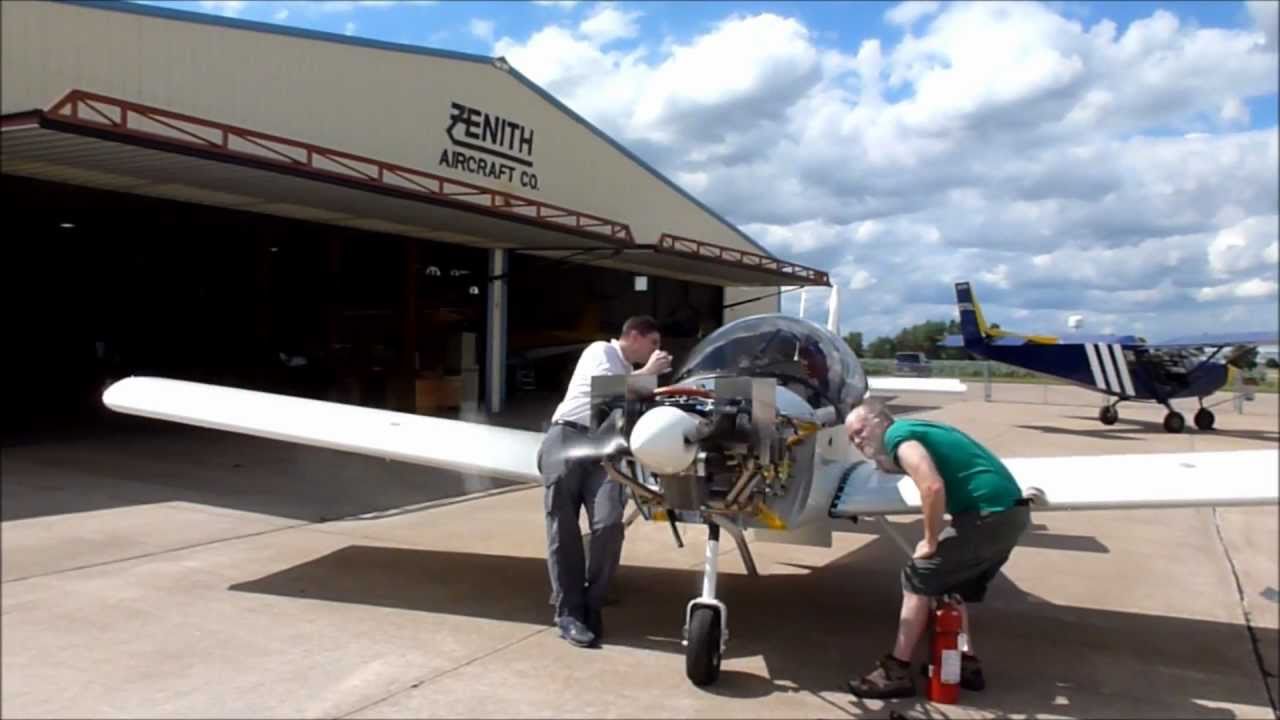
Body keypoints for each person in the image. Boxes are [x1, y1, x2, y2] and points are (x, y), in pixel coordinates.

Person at [844, 398, 1030, 698]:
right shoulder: (916, 429)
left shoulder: (897, 436)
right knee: (950, 583)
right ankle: (965, 664)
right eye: (851, 438)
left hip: (987, 516)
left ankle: (897, 671)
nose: (856, 440)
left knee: (918, 575)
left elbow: (931, 486)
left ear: (880, 421)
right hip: (1011, 513)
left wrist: (929, 540)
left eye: (860, 431)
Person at [537, 315, 672, 648]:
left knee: (610, 523)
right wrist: (649, 372)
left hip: (607, 449)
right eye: (653, 343)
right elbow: (607, 392)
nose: (656, 350)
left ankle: (591, 605)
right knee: (563, 526)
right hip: (569, 437)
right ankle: (568, 613)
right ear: (635, 336)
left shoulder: (634, 374)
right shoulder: (602, 351)